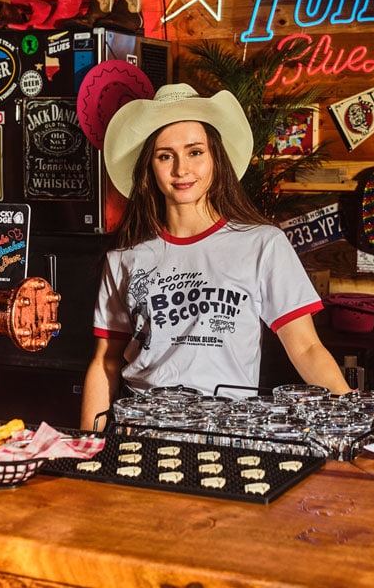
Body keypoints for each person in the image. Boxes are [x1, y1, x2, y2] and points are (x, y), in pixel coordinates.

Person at [80, 83, 350, 429]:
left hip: (229, 433)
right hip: (142, 430)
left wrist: (353, 418)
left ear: (215, 158)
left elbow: (307, 349)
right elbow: (106, 362)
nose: (181, 169)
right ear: (149, 167)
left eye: (195, 152)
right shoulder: (124, 257)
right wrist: (87, 448)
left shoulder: (262, 244)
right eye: (165, 156)